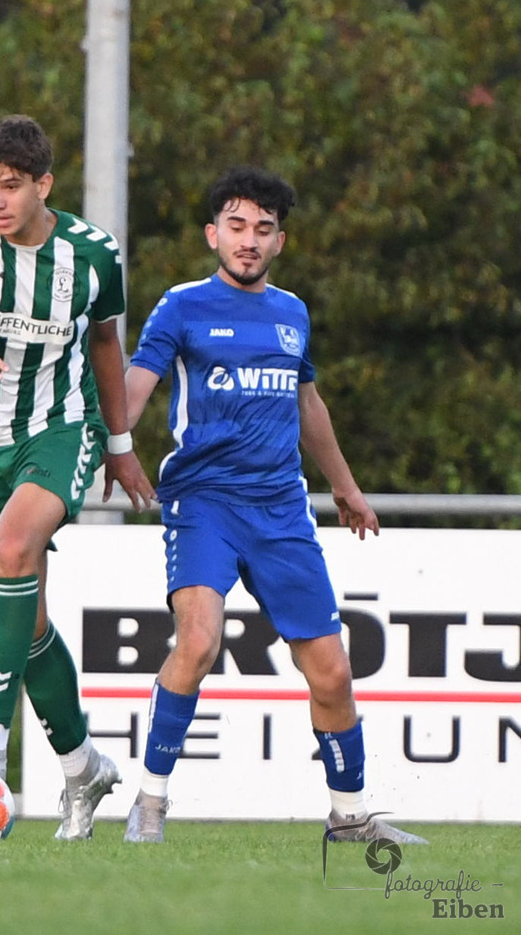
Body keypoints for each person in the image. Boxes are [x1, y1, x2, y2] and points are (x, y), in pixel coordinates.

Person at [118, 165, 427, 846]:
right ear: (212, 235)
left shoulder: (291, 313)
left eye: (262, 229)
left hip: (281, 507)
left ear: (278, 241)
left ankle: (348, 818)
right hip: (202, 500)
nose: (248, 241)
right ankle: (149, 804)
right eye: (235, 227)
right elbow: (136, 382)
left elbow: (305, 402)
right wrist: (118, 445)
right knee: (196, 642)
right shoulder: (180, 306)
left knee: (332, 669)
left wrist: (343, 487)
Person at [0, 114, 155, 841]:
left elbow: (108, 346)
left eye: (11, 186)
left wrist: (117, 444)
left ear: (43, 185)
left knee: (18, 548)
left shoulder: (92, 254)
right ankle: (83, 768)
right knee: (24, 620)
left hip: (61, 429)